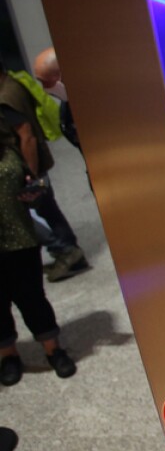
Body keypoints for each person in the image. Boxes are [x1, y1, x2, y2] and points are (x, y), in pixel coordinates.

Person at [1, 104, 77, 386]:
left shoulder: (9, 155)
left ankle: (52, 349)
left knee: (32, 296)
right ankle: (8, 355)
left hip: (20, 239)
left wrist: (32, 191)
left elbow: (28, 184)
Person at [0, 49, 88, 282]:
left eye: (45, 79)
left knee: (23, 215)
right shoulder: (14, 84)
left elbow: (26, 136)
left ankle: (65, 250)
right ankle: (67, 249)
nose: (42, 85)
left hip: (25, 168)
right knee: (45, 208)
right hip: (31, 164)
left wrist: (29, 175)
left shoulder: (6, 97)